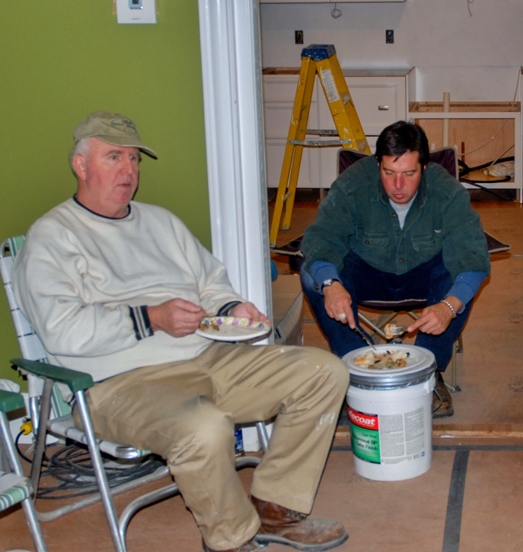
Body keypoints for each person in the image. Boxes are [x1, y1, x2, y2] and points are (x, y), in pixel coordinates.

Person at [13, 111, 351, 552]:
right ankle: (230, 538)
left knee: (324, 371)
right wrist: (150, 317)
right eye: (113, 157)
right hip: (120, 386)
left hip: (210, 358)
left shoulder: (161, 223)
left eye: (134, 159)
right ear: (80, 165)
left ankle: (275, 510)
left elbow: (209, 281)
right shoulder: (52, 238)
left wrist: (232, 307)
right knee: (203, 427)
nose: (128, 170)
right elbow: (63, 333)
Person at [300, 120, 491, 419]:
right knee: (313, 275)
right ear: (378, 163)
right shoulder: (353, 185)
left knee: (458, 279)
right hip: (366, 273)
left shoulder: (447, 191)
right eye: (389, 173)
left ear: (424, 168)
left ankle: (427, 373)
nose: (398, 185)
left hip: (425, 276)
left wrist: (449, 306)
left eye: (409, 174)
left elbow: (473, 256)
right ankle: (358, 369)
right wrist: (330, 284)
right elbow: (321, 238)